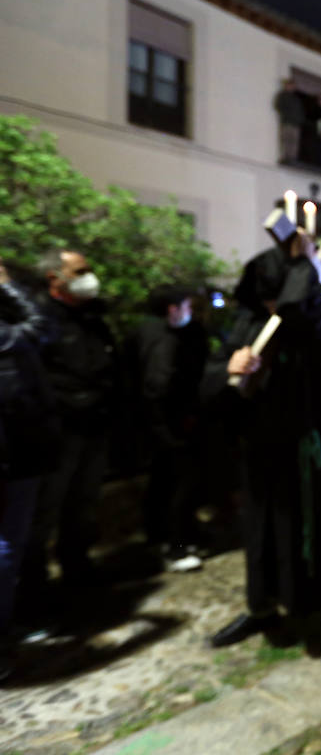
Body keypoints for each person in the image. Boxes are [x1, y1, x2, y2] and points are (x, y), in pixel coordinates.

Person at [204, 235, 321, 664]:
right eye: (267, 298)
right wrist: (229, 370)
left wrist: (304, 266)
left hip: (319, 450)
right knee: (263, 535)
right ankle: (264, 607)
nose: (273, 307)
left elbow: (302, 325)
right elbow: (210, 378)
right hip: (264, 450)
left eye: (280, 296)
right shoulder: (246, 322)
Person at [17, 247, 117, 628]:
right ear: (55, 279)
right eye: (80, 270)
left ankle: (78, 570)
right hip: (60, 432)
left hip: (94, 426)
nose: (90, 276)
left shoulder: (92, 316)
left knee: (83, 504)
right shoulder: (40, 320)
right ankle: (34, 594)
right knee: (44, 515)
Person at [0, 258, 58, 679]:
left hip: (15, 451)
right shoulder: (7, 335)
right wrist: (6, 285)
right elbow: (40, 327)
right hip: (11, 454)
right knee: (5, 548)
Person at [131, 285, 210, 571]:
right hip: (171, 425)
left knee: (162, 482)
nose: (190, 312)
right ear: (172, 309)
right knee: (181, 486)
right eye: (187, 306)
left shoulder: (146, 332)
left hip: (156, 425)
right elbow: (159, 385)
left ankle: (158, 535)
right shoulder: (164, 341)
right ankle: (177, 546)